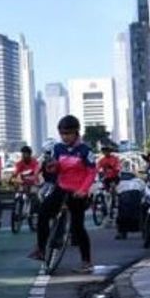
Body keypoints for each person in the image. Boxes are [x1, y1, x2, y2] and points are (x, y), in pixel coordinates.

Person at [30, 115, 95, 274]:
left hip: (78, 192)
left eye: (68, 133)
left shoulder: (85, 150)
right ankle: (41, 248)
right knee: (43, 213)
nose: (65, 137)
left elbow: (91, 172)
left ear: (76, 133)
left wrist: (83, 190)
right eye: (62, 134)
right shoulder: (58, 148)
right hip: (61, 188)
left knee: (77, 227)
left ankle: (86, 261)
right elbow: (57, 168)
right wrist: (52, 167)